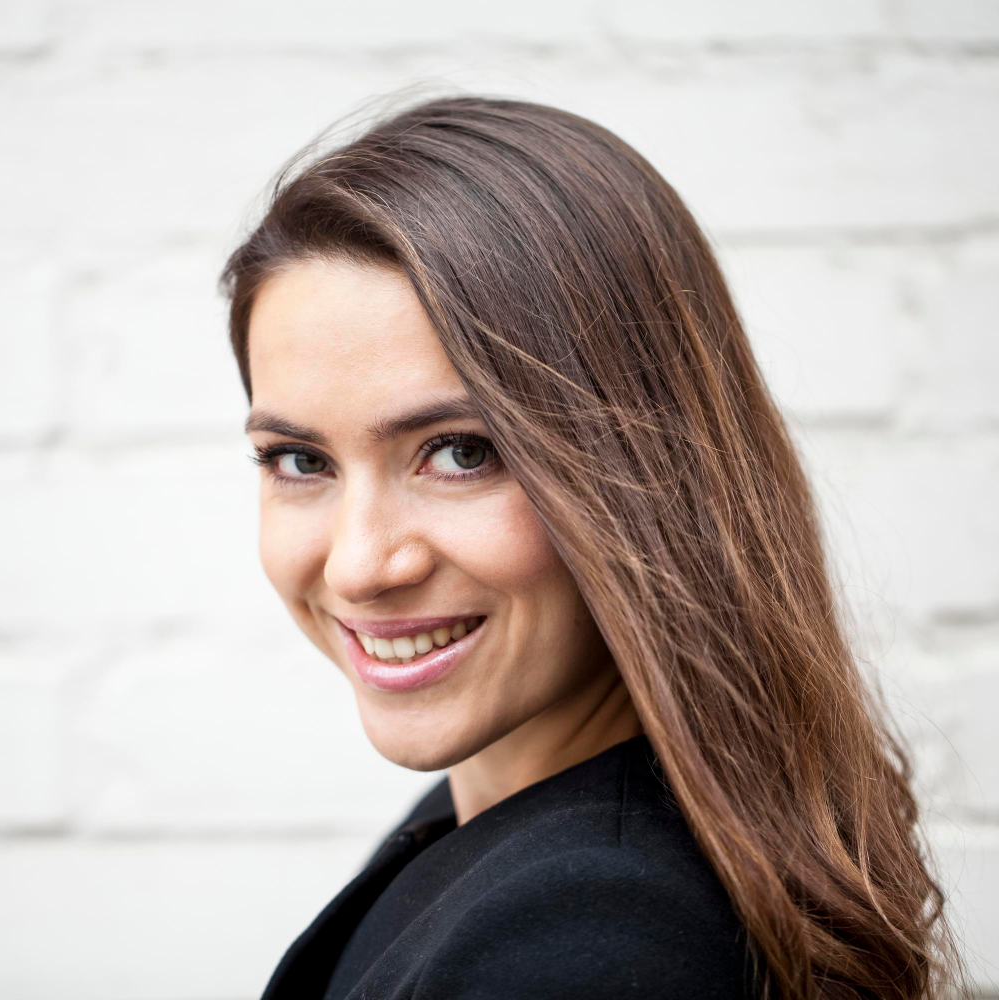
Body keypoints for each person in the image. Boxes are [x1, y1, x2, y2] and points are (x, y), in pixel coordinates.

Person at [218, 94, 967, 999]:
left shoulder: (583, 941)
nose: (359, 566)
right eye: (300, 459)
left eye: (463, 453)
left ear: (646, 469)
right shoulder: (496, 826)